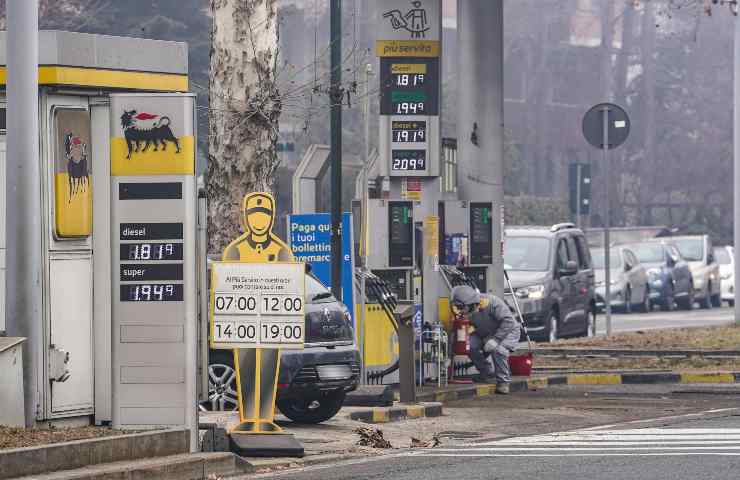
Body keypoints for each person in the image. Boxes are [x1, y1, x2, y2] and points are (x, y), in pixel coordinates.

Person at [450, 285, 521, 394]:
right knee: (469, 346)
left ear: (471, 304)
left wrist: (496, 339)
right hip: (485, 333)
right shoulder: (468, 311)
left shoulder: (493, 303)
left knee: (499, 350)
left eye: (461, 307)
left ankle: (503, 382)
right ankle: (487, 372)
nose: (460, 310)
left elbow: (508, 322)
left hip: (508, 332)